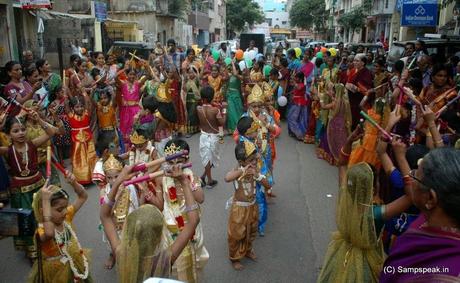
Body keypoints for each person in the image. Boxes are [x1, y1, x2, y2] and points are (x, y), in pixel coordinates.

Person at [317, 127, 413, 283]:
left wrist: (349, 141)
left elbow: (341, 164)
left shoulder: (344, 196)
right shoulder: (376, 213)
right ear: (374, 188)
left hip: (341, 255)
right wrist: (400, 157)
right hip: (367, 264)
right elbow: (411, 195)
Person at [380, 148, 460, 282]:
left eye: (415, 175)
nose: (411, 176)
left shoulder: (444, 277)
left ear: (430, 198)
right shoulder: (428, 220)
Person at [0, 114, 57, 259]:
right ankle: (32, 251)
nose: (21, 133)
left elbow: (51, 132)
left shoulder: (32, 144)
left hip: (38, 187)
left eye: (23, 129)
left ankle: (48, 243)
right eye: (15, 131)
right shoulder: (8, 151)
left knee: (44, 216)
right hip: (20, 192)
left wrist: (38, 119)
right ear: (8, 134)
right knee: (27, 220)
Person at [29, 174, 91, 282]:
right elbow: (49, 234)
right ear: (44, 211)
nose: (65, 211)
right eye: (59, 209)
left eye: (65, 207)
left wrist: (74, 183)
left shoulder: (66, 217)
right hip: (56, 273)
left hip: (75, 264)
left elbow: (83, 196)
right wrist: (45, 202)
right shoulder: (42, 231)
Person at [224, 141, 270, 270]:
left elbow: (268, 185)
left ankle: (248, 250)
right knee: (236, 235)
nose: (254, 162)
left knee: (252, 231)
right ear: (241, 161)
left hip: (253, 206)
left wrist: (257, 176)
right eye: (251, 160)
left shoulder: (256, 171)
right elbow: (227, 178)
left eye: (255, 159)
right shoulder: (237, 170)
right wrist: (243, 170)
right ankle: (234, 258)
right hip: (239, 208)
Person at [197, 86, 226, 188]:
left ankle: (203, 177)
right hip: (213, 137)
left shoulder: (198, 109)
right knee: (210, 158)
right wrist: (225, 110)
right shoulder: (215, 110)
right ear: (212, 97)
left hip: (203, 136)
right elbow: (222, 122)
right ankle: (209, 181)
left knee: (207, 158)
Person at [66, 95, 97, 185]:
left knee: (91, 157)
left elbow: (88, 103)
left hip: (88, 141)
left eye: (81, 106)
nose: (79, 109)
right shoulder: (71, 115)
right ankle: (82, 179)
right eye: (77, 107)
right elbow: (66, 107)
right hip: (77, 142)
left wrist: (84, 93)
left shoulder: (86, 113)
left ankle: (93, 176)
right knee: (79, 160)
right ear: (72, 108)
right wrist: (65, 95)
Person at [345, 53, 373, 129]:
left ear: (363, 63)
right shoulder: (353, 70)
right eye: (354, 61)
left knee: (358, 123)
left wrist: (356, 88)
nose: (354, 62)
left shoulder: (366, 73)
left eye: (357, 61)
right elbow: (347, 82)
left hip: (360, 101)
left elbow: (367, 89)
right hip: (350, 100)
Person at [287, 72, 308, 141]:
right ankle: (293, 132)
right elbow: (294, 90)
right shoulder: (298, 84)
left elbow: (298, 88)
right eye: (295, 77)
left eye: (297, 78)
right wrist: (287, 94)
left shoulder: (302, 85)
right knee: (290, 117)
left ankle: (300, 135)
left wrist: (294, 81)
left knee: (294, 119)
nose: (295, 79)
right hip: (295, 103)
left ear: (300, 78)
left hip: (299, 104)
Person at [226, 60, 244, 133]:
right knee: (231, 112)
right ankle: (232, 129)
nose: (233, 70)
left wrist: (233, 63)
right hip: (229, 95)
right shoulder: (230, 76)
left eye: (235, 69)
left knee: (238, 112)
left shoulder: (240, 76)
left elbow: (236, 74)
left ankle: (238, 128)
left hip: (236, 96)